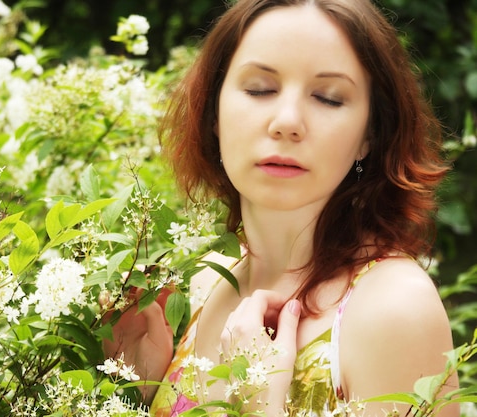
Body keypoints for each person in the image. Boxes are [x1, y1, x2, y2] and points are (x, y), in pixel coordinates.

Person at [103, 0, 459, 415]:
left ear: (370, 134)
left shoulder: (393, 308)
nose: (287, 120)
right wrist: (135, 388)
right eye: (260, 89)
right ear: (214, 112)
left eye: (328, 98)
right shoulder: (201, 284)